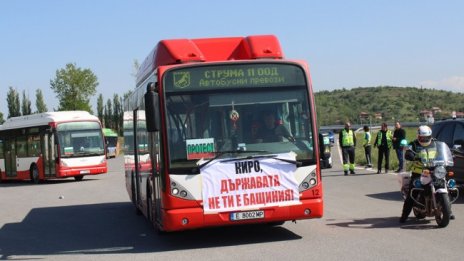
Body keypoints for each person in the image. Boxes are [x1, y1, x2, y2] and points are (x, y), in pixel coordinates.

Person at [399, 125, 455, 223]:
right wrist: (411, 155)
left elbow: (442, 151)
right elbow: (408, 153)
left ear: (430, 136)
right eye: (422, 138)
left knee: (445, 186)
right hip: (419, 172)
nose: (424, 140)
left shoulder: (435, 143)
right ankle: (404, 215)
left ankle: (448, 211)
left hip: (434, 169)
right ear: (418, 136)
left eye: (426, 138)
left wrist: (449, 155)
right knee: (413, 192)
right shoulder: (414, 144)